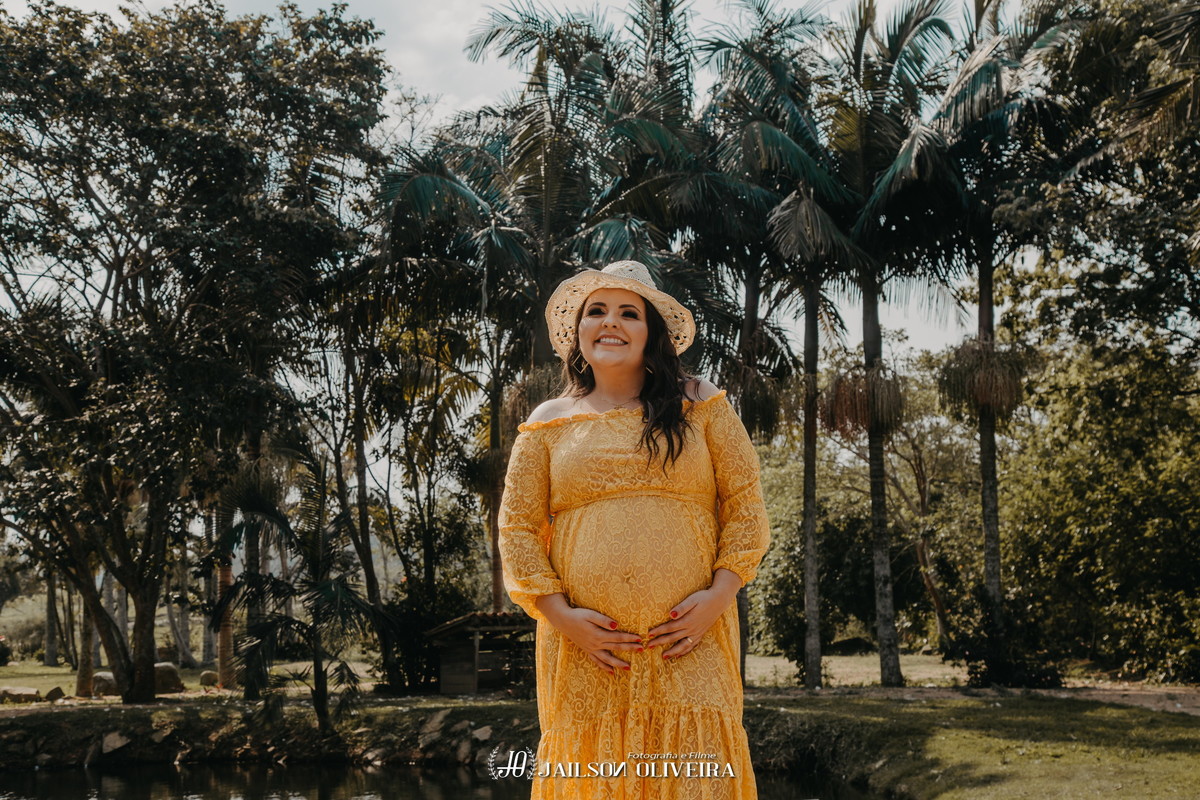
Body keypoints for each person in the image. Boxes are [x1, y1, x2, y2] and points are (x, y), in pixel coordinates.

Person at [498, 260, 772, 800]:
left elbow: (745, 503)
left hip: (691, 639)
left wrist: (719, 597)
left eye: (629, 313)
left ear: (652, 333)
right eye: (596, 311)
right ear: (578, 331)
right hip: (587, 653)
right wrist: (562, 617)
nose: (611, 322)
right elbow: (517, 528)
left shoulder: (701, 402)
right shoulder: (548, 421)